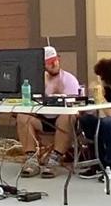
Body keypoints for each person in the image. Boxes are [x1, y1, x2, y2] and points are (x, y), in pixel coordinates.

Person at [16, 46, 80, 178]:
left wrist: (60, 93)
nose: (54, 64)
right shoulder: (37, 81)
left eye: (55, 60)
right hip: (43, 119)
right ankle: (31, 158)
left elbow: (76, 106)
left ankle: (55, 158)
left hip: (61, 121)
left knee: (67, 116)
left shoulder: (69, 80)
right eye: (49, 62)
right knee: (23, 116)